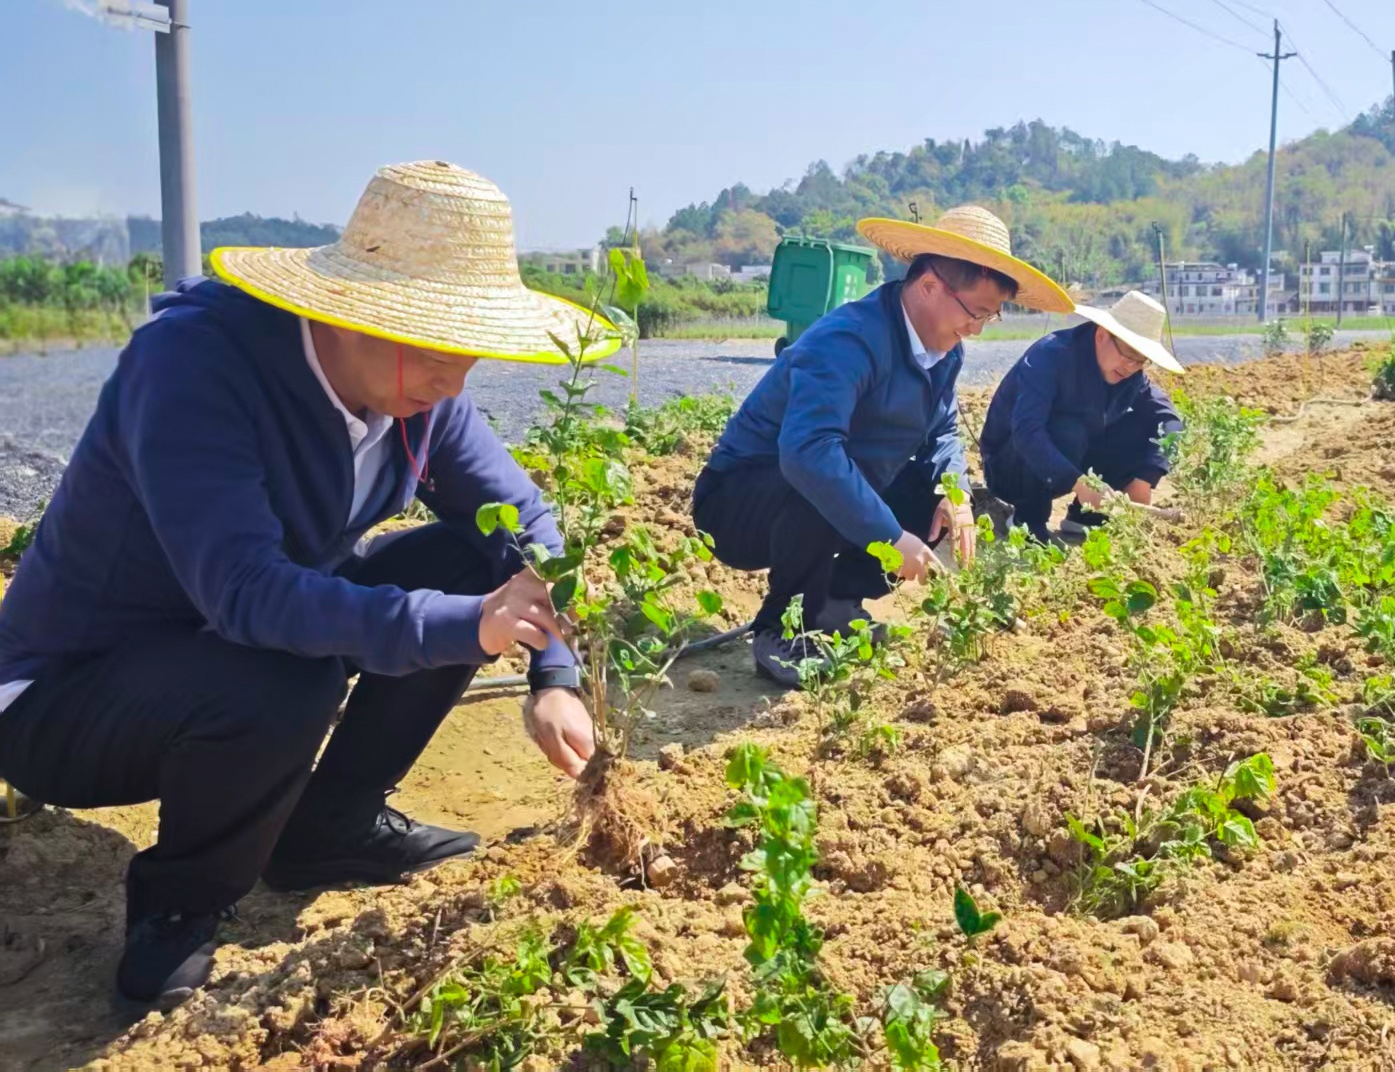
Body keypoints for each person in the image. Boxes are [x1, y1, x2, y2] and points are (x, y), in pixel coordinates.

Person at [0, 161, 605, 1007]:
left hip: (221, 649)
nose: (456, 380)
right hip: (69, 698)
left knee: (478, 554)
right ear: (355, 316)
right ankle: (179, 905)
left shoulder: (419, 394)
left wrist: (554, 673)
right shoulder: (193, 365)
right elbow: (248, 594)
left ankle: (329, 826)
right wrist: (469, 626)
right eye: (440, 347)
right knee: (289, 670)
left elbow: (525, 523)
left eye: (470, 349)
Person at [694, 205, 1070, 686]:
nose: (976, 329)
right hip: (740, 502)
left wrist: (954, 493)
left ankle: (831, 602)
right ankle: (781, 630)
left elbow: (943, 432)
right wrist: (890, 539)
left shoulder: (944, 351)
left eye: (989, 317)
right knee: (821, 479)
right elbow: (808, 453)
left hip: (830, 486)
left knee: (932, 500)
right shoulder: (848, 340)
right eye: (975, 312)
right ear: (931, 286)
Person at [980, 290, 1184, 542]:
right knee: (1068, 429)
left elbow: (1171, 422)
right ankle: (1028, 519)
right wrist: (1079, 483)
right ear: (1101, 335)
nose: (1130, 367)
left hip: (1071, 461)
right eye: (1127, 355)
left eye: (1140, 361)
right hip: (1011, 467)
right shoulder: (1050, 356)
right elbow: (1026, 432)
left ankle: (1085, 517)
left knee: (1141, 427)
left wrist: (1146, 478)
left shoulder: (1131, 376)